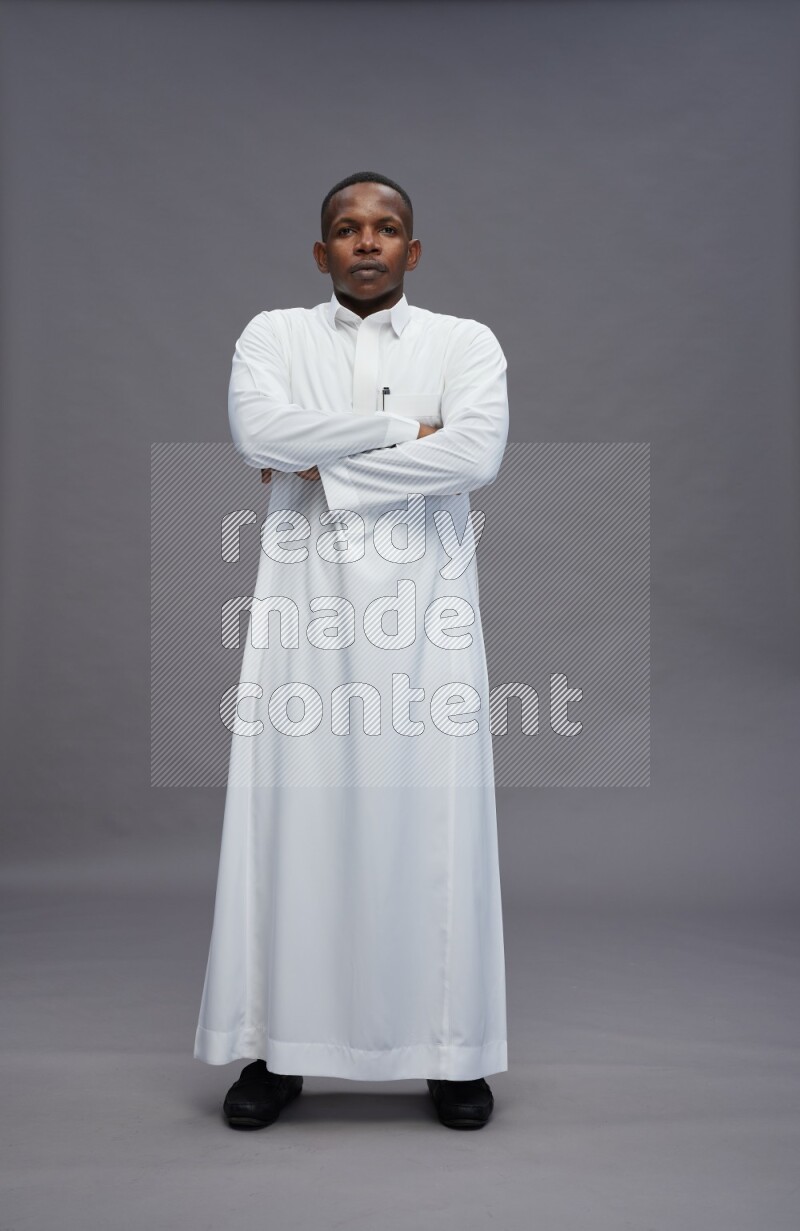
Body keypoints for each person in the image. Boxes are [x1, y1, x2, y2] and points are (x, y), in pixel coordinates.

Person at [194, 171, 510, 1130]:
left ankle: (451, 1052)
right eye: (345, 228)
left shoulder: (466, 343)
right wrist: (395, 429)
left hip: (427, 615)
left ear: (412, 252)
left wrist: (320, 457)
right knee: (293, 819)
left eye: (386, 229)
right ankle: (276, 1047)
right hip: (306, 608)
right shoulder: (272, 335)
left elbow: (476, 455)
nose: (366, 242)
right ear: (321, 251)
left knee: (435, 826)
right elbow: (259, 428)